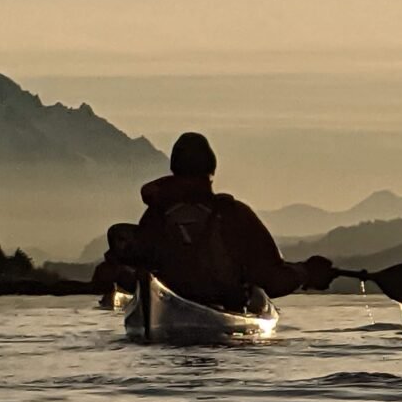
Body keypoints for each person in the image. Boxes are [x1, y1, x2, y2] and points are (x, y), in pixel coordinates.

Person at [95, 132, 335, 311]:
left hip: (166, 308)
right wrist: (306, 272)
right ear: (211, 172)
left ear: (174, 171)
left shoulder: (156, 215)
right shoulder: (234, 214)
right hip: (223, 312)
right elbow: (270, 279)